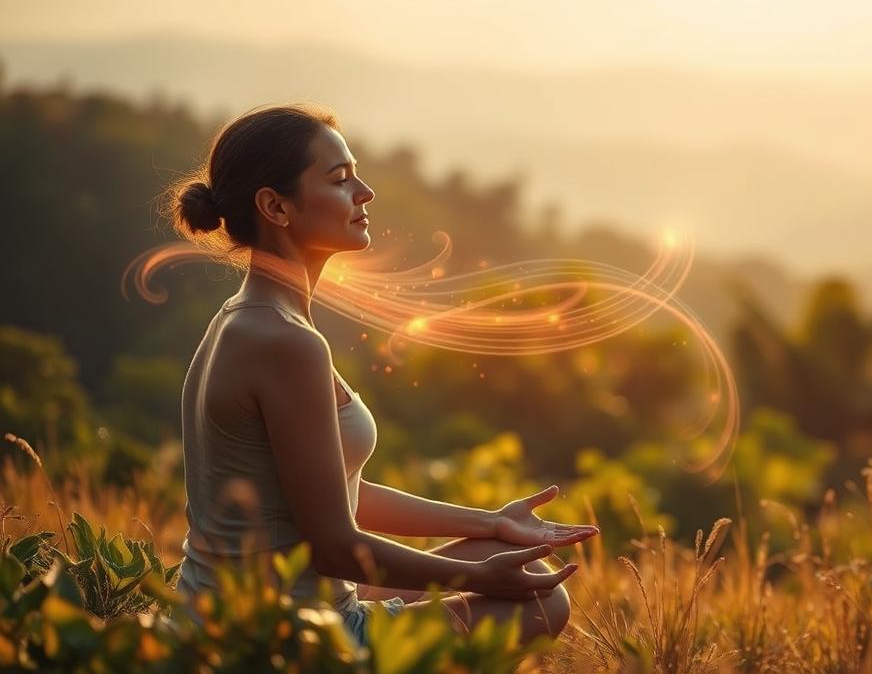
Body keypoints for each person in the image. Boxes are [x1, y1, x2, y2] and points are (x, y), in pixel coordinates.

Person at [168, 104, 597, 648]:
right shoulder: (284, 342)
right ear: (275, 206)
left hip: (266, 610)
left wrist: (490, 524)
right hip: (278, 636)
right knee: (542, 598)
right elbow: (333, 547)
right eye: (341, 179)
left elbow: (344, 495)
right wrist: (482, 581)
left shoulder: (255, 321)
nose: (365, 192)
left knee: (500, 555)